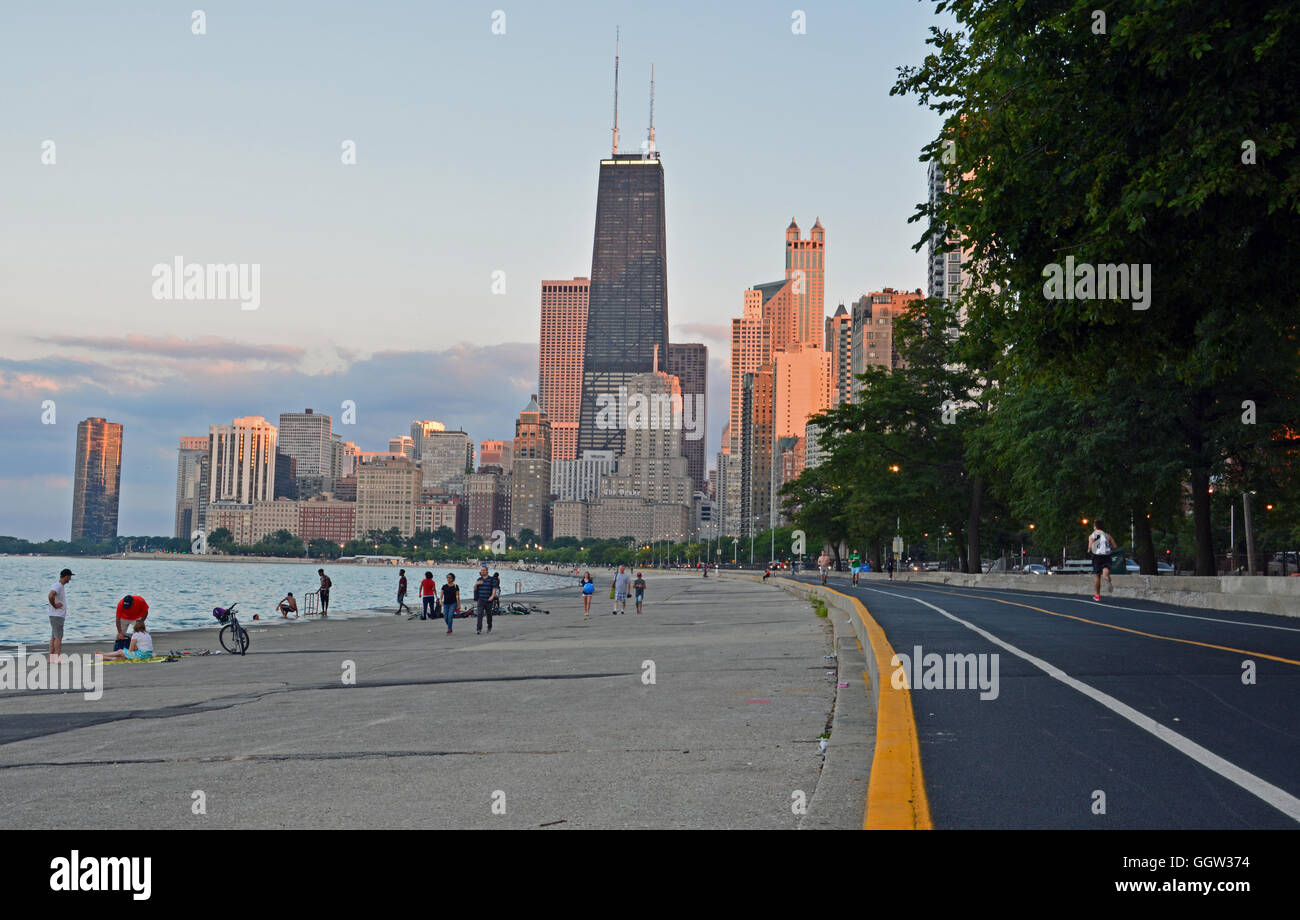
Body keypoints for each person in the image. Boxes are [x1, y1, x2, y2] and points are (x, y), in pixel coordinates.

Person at [1088, 520, 1119, 600]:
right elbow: (1115, 546)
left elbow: (1090, 547)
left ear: (1095, 526)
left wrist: (1088, 550)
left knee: (1097, 575)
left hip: (1097, 556)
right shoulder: (1107, 535)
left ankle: (1097, 595)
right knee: (1106, 568)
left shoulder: (1092, 536)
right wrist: (1109, 548)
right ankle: (1106, 577)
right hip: (1106, 555)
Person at [47, 568, 73, 659]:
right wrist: (54, 605)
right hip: (57, 616)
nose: (70, 578)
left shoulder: (59, 586)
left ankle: (51, 658)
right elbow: (50, 595)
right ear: (66, 576)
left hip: (55, 615)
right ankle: (57, 658)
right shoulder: (58, 586)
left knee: (54, 636)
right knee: (58, 637)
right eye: (69, 576)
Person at [473, 565, 498, 634]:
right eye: (481, 570)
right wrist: (476, 584)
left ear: (487, 571)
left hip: (488, 600)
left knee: (489, 615)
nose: (482, 571)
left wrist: (492, 596)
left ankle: (489, 627)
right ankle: (478, 629)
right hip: (480, 599)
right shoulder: (479, 579)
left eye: (484, 570)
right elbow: (475, 589)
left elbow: (494, 588)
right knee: (479, 614)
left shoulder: (492, 579)